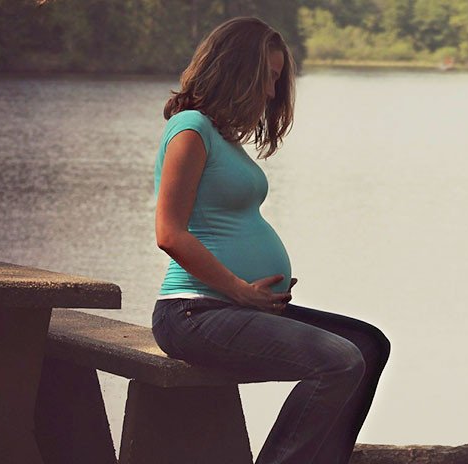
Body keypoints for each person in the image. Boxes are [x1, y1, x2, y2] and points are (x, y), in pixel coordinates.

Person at [150, 16, 390, 464]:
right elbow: (169, 233)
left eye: (277, 80)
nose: (270, 93)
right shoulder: (190, 128)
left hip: (230, 307)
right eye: (269, 78)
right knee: (339, 361)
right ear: (237, 70)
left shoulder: (222, 138)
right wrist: (240, 289)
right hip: (192, 311)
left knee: (368, 346)